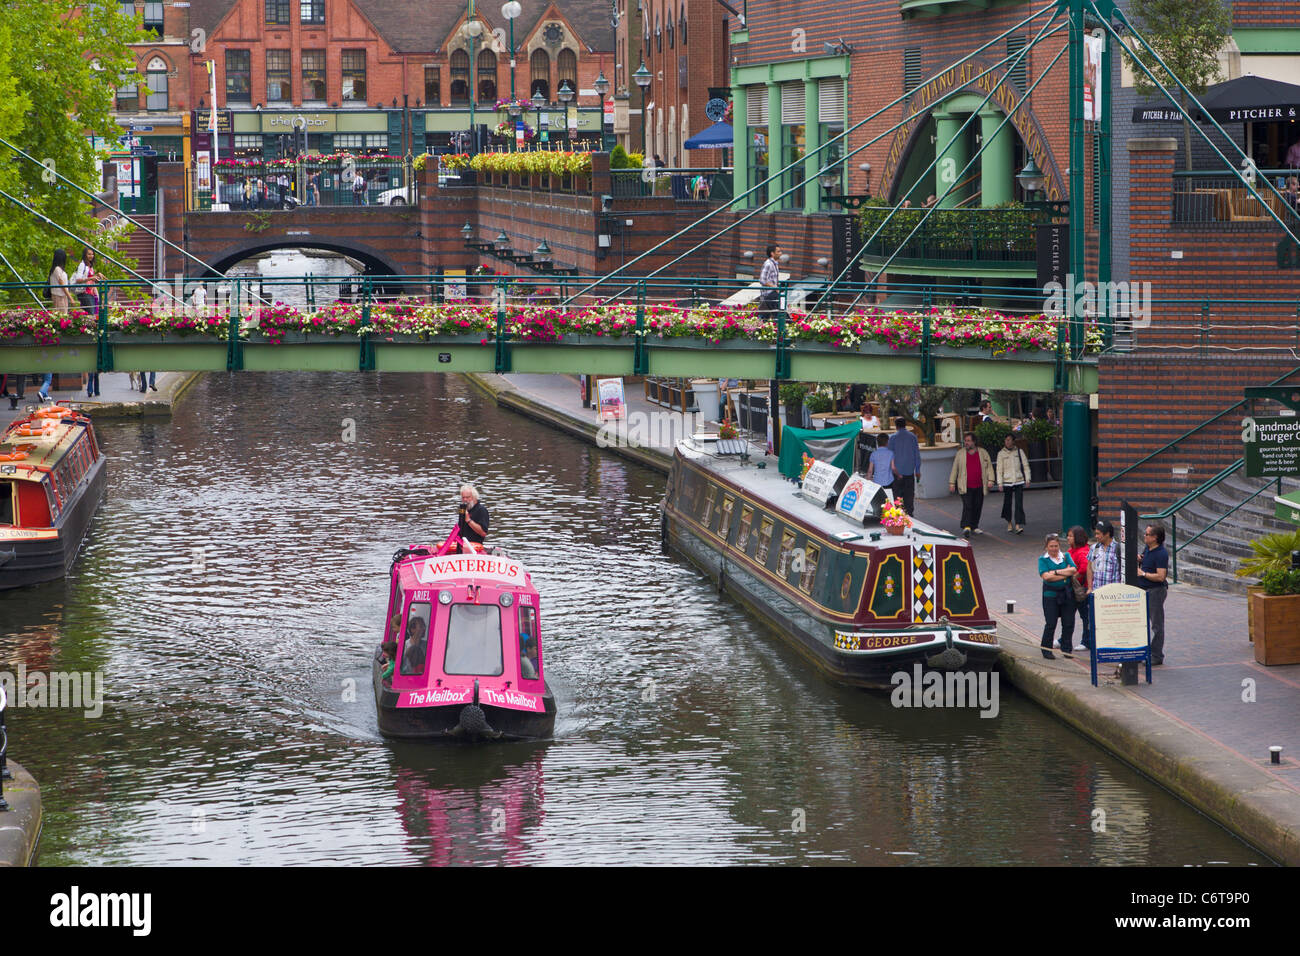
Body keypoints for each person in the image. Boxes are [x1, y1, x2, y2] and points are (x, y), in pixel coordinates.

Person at [1039, 532, 1077, 660]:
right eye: (1051, 546)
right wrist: (1065, 573)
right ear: (1046, 547)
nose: (1054, 549)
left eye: (1056, 546)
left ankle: (1066, 648)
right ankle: (1046, 649)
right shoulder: (1042, 560)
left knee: (1068, 622)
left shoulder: (1066, 556)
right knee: (1051, 623)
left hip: (1067, 594)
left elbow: (1073, 569)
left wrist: (1055, 572)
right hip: (1050, 595)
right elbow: (1046, 577)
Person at [949, 432, 994, 539]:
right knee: (968, 505)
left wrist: (991, 480)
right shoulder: (960, 453)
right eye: (965, 441)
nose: (966, 443)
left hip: (979, 485)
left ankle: (974, 526)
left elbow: (989, 467)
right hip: (965, 485)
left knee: (977, 506)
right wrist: (952, 483)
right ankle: (966, 526)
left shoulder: (983, 453)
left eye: (968, 441)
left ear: (974, 442)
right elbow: (955, 468)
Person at [1137, 522, 1169, 665]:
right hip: (1143, 590)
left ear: (1155, 537)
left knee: (1156, 624)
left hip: (1155, 591)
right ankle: (1144, 651)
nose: (1144, 536)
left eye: (1147, 534)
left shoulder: (1161, 553)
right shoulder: (1148, 548)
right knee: (1142, 623)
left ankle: (1157, 655)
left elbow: (1161, 576)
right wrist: (1141, 559)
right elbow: (1146, 560)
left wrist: (1143, 573)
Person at [1087, 520, 1121, 652]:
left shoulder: (1118, 548)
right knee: (1096, 623)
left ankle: (1112, 647)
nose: (1096, 536)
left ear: (1107, 534)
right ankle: (1099, 648)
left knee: (1112, 623)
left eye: (1099, 534)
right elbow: (1089, 568)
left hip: (1113, 595)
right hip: (1097, 593)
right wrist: (1090, 587)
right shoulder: (1094, 548)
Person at [72, 247, 100, 397]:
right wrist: (91, 278)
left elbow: (92, 281)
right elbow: (78, 279)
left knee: (94, 316)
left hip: (91, 294)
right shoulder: (82, 265)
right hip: (85, 294)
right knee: (90, 317)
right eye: (89, 253)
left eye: (92, 254)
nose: (91, 255)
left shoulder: (90, 266)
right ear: (85, 255)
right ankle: (90, 332)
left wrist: (96, 277)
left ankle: (94, 388)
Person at [996, 433, 1030, 533]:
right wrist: (1000, 483)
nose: (1007, 442)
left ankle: (1018, 524)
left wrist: (1027, 479)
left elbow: (1026, 466)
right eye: (1006, 440)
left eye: (1009, 440)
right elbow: (999, 469)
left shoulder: (1019, 451)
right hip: (1007, 482)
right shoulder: (1001, 453)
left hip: (1019, 480)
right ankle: (1009, 522)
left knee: (1019, 503)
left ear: (1013, 441)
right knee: (1008, 503)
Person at [888, 417, 921, 516]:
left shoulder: (892, 438)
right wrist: (918, 470)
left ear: (896, 425)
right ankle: (910, 515)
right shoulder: (913, 437)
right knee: (909, 495)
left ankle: (899, 515)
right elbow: (917, 455)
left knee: (897, 495)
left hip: (897, 472)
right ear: (905, 424)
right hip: (909, 472)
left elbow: (889, 455)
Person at [1066, 525, 1091, 648]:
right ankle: (1063, 639)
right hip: (1075, 588)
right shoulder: (1071, 551)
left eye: (1071, 536)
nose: (1068, 538)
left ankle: (1086, 641)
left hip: (1082, 589)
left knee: (1085, 616)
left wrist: (1074, 577)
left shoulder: (1083, 552)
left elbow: (1084, 568)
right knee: (1069, 615)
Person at [458, 483, 490, 550]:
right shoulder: (465, 509)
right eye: (463, 497)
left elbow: (483, 533)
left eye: (468, 497)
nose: (465, 500)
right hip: (462, 545)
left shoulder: (481, 510)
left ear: (474, 497)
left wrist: (468, 520)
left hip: (474, 547)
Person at [759, 244, 781, 316]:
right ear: (772, 253)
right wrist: (774, 287)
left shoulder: (775, 264)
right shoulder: (768, 264)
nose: (780, 253)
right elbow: (762, 280)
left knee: (768, 315)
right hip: (768, 294)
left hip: (772, 294)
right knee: (777, 313)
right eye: (778, 251)